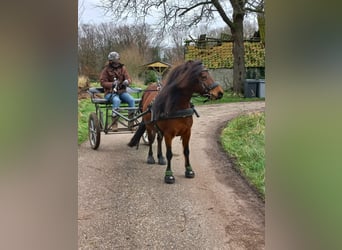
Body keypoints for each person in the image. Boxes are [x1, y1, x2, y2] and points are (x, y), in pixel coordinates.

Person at [99, 51, 135, 131]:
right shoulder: (105, 70)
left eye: (117, 60)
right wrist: (112, 84)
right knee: (117, 100)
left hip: (122, 92)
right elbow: (102, 82)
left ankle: (131, 123)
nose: (116, 62)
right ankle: (114, 124)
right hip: (110, 93)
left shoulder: (123, 68)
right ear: (110, 61)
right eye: (114, 61)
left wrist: (127, 81)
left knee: (131, 100)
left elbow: (129, 78)